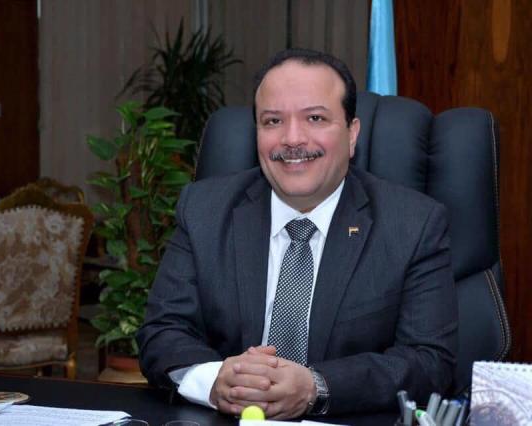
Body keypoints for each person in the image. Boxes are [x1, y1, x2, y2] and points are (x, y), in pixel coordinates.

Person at [136, 48, 458, 420]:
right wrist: (216, 380)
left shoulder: (413, 224)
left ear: (352, 134)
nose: (292, 139)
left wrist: (316, 387)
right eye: (273, 121)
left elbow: (429, 361)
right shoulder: (204, 210)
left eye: (315, 118)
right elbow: (162, 331)